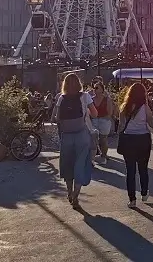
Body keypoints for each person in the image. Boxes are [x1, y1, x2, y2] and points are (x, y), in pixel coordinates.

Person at [54, 73, 97, 209]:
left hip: (66, 135)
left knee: (68, 164)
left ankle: (69, 192)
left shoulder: (61, 98)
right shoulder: (85, 96)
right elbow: (95, 113)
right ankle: (76, 196)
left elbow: (57, 118)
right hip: (82, 134)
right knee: (80, 164)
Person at [117, 82, 153, 207]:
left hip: (129, 140)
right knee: (143, 168)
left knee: (130, 171)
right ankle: (144, 192)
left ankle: (132, 199)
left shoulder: (124, 107)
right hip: (143, 139)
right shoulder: (145, 107)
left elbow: (121, 126)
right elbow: (151, 123)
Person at [89, 81, 115, 164]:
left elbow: (110, 112)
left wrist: (105, 119)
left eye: (97, 88)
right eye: (94, 88)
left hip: (104, 120)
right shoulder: (91, 99)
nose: (95, 89)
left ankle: (103, 156)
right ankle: (94, 156)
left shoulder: (107, 99)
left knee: (103, 139)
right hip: (94, 120)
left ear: (102, 89)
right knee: (94, 139)